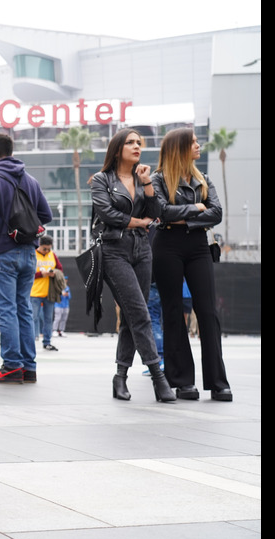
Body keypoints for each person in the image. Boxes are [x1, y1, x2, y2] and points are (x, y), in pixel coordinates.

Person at [90, 129, 175, 402]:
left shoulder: (142, 178)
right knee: (140, 313)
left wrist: (148, 183)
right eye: (130, 142)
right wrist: (138, 222)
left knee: (131, 316)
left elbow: (157, 213)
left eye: (139, 142)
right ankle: (158, 378)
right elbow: (107, 213)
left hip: (143, 250)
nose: (137, 146)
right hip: (115, 250)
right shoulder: (102, 180)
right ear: (117, 149)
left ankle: (120, 377)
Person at [152, 127, 232, 401]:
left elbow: (217, 212)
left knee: (208, 312)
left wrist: (184, 217)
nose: (199, 146)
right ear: (180, 148)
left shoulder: (204, 178)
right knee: (173, 312)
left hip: (199, 246)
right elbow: (161, 212)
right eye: (194, 142)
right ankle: (183, 381)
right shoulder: (158, 179)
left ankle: (218, 382)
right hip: (168, 246)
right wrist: (197, 209)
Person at [0, 133, 53, 384]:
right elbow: (46, 215)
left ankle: (11, 366)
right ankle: (29, 367)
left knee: (5, 310)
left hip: (2, 252)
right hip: (29, 252)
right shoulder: (30, 180)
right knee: (23, 310)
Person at [30, 235, 63, 352]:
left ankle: (47, 342)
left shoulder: (52, 255)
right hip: (34, 292)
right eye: (45, 249)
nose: (47, 251)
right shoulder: (33, 254)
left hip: (49, 293)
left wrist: (54, 273)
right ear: (39, 246)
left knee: (48, 319)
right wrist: (40, 274)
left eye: (49, 248)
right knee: (32, 317)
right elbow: (27, 272)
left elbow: (60, 268)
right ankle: (30, 341)